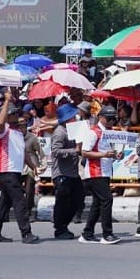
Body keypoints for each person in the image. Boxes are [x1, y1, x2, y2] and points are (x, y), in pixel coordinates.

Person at [0, 90, 39, 244]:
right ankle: (26, 233)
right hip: (6, 171)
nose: (17, 116)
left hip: (15, 172)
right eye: (14, 114)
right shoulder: (1, 131)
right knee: (19, 201)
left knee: (5, 203)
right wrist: (6, 101)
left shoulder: (17, 132)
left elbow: (22, 152)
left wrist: (32, 166)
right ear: (7, 115)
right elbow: (1, 121)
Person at [79, 106, 122, 244]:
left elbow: (108, 152)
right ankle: (107, 234)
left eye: (114, 119)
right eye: (109, 118)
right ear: (100, 117)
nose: (111, 121)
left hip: (105, 170)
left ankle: (87, 233)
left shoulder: (110, 132)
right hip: (95, 171)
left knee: (97, 203)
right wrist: (104, 154)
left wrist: (116, 155)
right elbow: (84, 152)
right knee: (107, 200)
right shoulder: (94, 132)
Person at [50, 102, 85, 240]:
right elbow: (55, 151)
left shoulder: (72, 130)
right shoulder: (59, 132)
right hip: (62, 172)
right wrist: (74, 151)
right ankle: (59, 228)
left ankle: (64, 224)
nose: (75, 118)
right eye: (73, 116)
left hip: (72, 171)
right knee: (62, 201)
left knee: (78, 198)